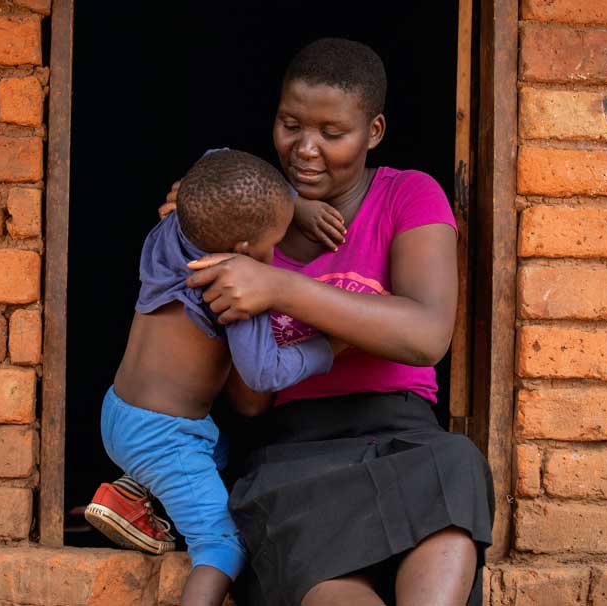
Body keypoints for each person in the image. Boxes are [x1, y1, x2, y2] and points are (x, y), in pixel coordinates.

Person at [183, 38, 495, 606]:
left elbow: (427, 335)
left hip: (407, 444)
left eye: (332, 133)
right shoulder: (248, 218)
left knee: (458, 462)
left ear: (373, 131)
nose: (305, 148)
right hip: (291, 457)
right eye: (290, 124)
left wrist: (278, 287)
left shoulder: (408, 195)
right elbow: (250, 402)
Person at [92, 149, 344, 606]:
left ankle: (132, 494)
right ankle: (150, 490)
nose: (278, 248)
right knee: (223, 545)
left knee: (226, 453)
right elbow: (264, 372)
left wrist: (297, 204)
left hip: (119, 410)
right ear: (244, 251)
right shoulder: (234, 292)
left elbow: (216, 157)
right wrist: (331, 346)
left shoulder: (171, 231)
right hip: (164, 437)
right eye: (277, 238)